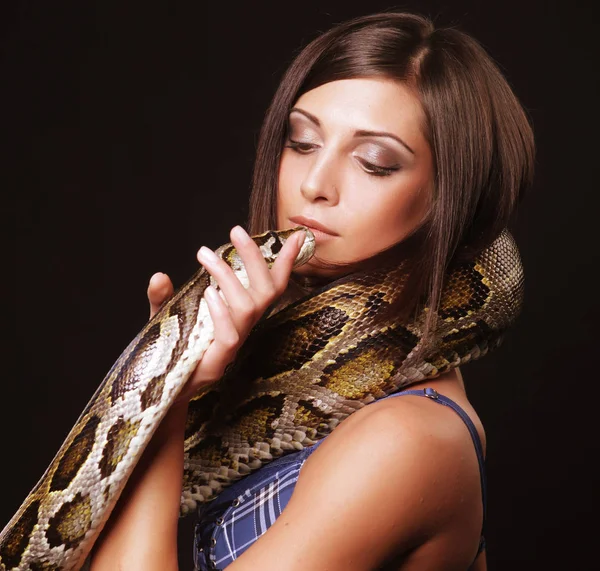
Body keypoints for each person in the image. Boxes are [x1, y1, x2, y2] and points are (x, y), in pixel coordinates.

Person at [89, 11, 534, 571]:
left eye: (375, 163)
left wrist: (165, 400)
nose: (314, 185)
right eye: (302, 142)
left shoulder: (411, 440)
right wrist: (180, 374)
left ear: (450, 200)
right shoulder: (289, 362)